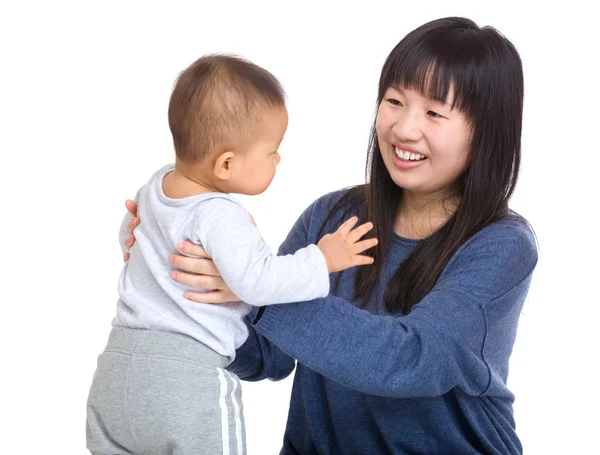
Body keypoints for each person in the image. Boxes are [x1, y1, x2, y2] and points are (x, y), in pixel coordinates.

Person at [124, 16, 538, 455]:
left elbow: (413, 361)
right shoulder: (332, 216)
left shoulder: (501, 246)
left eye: (435, 112)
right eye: (395, 101)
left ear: (485, 133)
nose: (403, 128)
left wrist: (252, 289)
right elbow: (267, 352)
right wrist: (177, 264)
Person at [86, 54, 377, 455]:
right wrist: (322, 259)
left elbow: (129, 237)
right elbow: (255, 281)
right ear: (225, 163)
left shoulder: (154, 189)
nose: (278, 160)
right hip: (184, 377)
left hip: (116, 371)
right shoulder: (220, 214)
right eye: (271, 152)